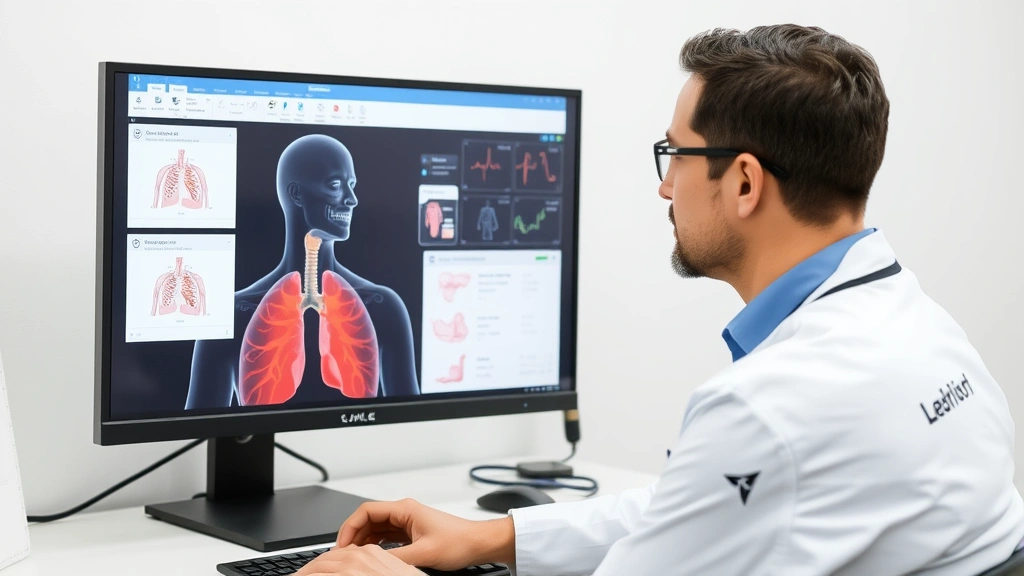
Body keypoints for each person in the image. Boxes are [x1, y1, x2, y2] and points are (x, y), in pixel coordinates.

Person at [297, 24, 1024, 575]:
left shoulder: (769, 408)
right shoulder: (925, 331)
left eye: (675, 154)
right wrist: (496, 536)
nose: (664, 185)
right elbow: (701, 508)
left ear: (744, 182)